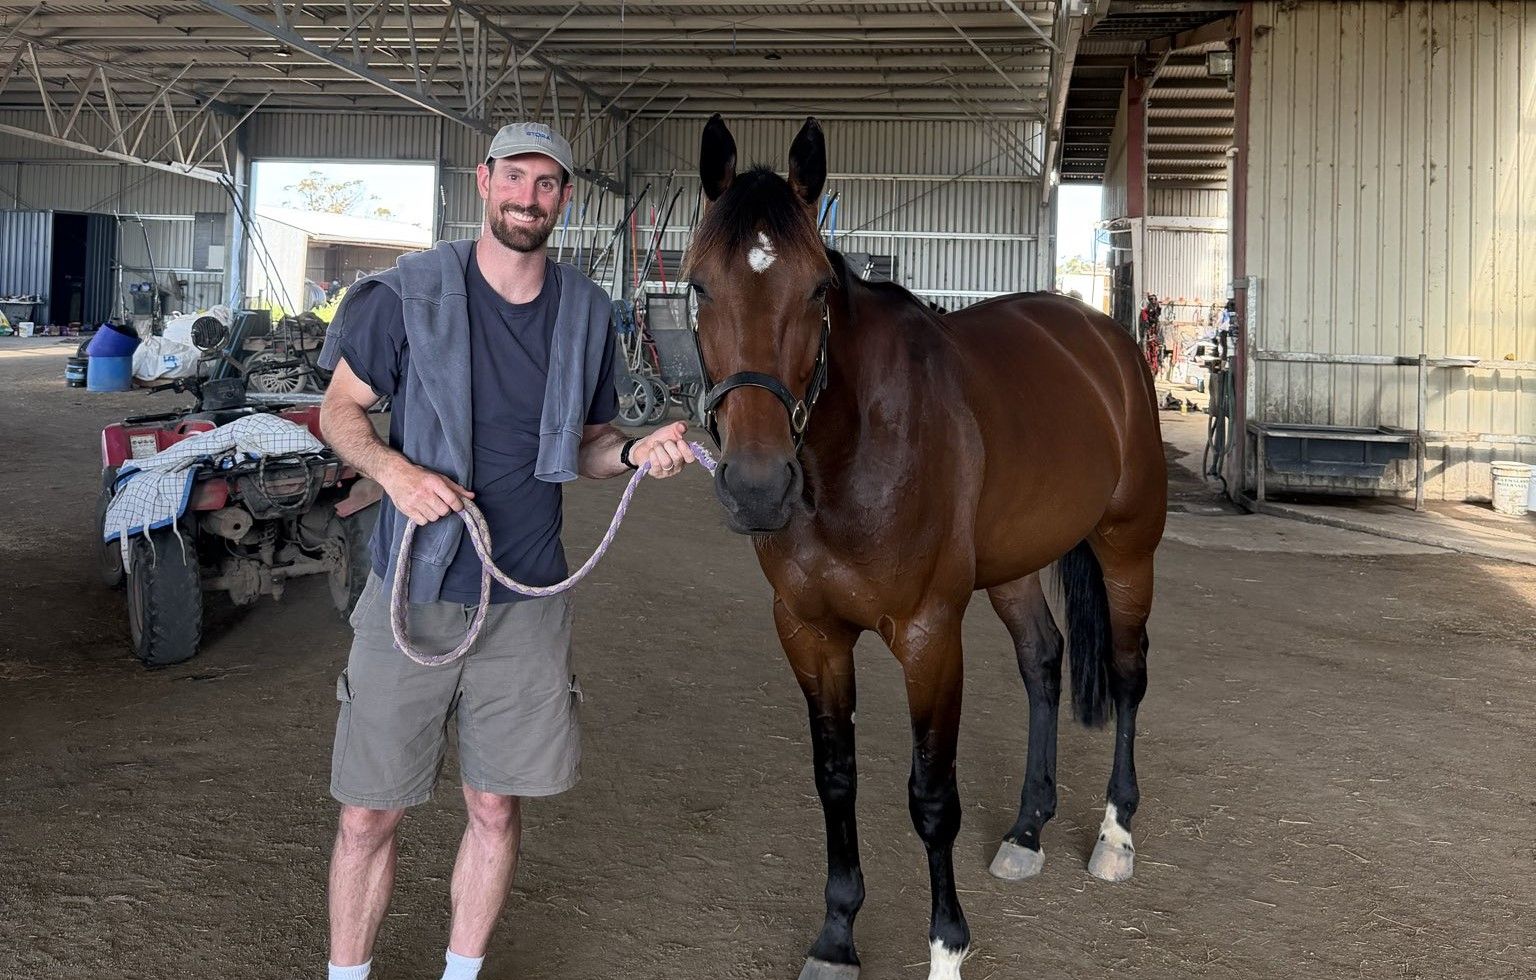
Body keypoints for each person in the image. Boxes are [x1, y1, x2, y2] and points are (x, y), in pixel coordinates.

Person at [315, 120, 696, 980]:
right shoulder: (404, 295)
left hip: (525, 598)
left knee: (493, 806)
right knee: (368, 815)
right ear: (482, 182)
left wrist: (635, 451)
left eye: (547, 184)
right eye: (514, 178)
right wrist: (394, 471)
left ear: (564, 197)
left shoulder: (589, 314)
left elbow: (590, 447)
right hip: (410, 586)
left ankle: (462, 972)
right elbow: (340, 410)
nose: (528, 197)